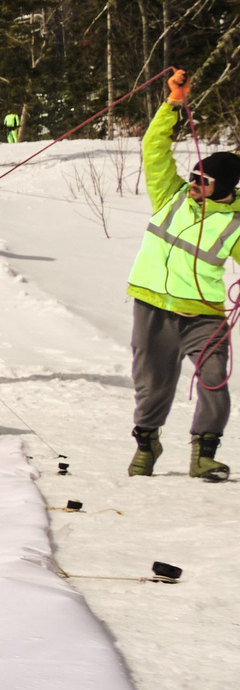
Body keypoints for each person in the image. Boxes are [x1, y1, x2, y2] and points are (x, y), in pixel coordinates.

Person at [127, 71, 240, 480]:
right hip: (153, 308)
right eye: (193, 175)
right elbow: (153, 148)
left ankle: (204, 454)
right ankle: (147, 444)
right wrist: (173, 104)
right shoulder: (170, 196)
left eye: (202, 180)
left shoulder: (235, 223)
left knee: (213, 379)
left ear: (222, 187)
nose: (192, 182)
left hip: (203, 316)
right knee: (153, 386)